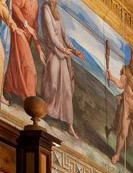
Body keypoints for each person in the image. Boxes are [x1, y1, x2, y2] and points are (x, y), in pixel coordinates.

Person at [39, 0, 82, 135]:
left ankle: (69, 125)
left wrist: (75, 50)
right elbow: (52, 37)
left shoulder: (58, 13)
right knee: (52, 85)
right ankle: (45, 112)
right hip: (54, 52)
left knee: (67, 91)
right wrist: (64, 50)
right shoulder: (45, 9)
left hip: (64, 55)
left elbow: (64, 36)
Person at [105, 53, 133, 170]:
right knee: (123, 134)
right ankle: (117, 154)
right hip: (126, 111)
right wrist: (111, 77)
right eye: (132, 60)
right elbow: (121, 84)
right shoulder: (126, 72)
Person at [4, 0, 40, 101]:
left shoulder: (36, 3)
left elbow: (35, 26)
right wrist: (26, 25)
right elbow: (14, 7)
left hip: (27, 37)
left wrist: (39, 49)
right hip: (18, 31)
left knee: (14, 62)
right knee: (29, 68)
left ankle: (8, 87)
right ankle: (29, 98)